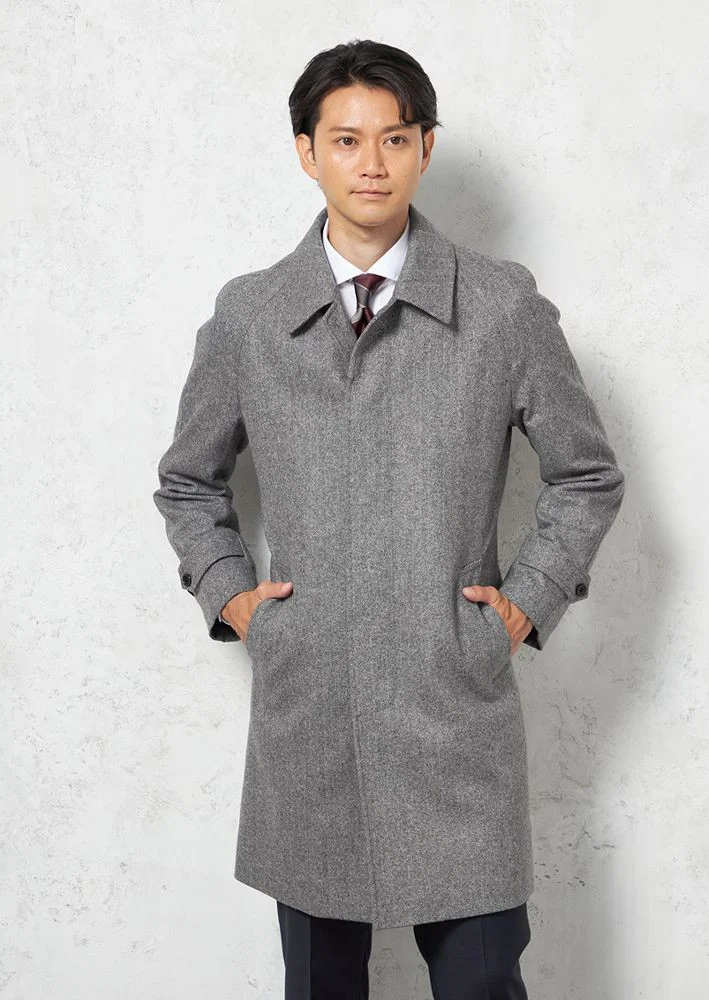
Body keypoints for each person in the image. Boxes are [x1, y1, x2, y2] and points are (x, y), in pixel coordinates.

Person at [153, 38, 626, 1000]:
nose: (371, 162)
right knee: (321, 988)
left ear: (425, 147)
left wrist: (522, 607)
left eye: (395, 138)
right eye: (345, 139)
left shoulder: (501, 308)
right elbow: (189, 483)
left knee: (482, 983)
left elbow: (586, 475)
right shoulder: (250, 316)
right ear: (306, 152)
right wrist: (240, 603)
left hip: (454, 708)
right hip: (311, 715)